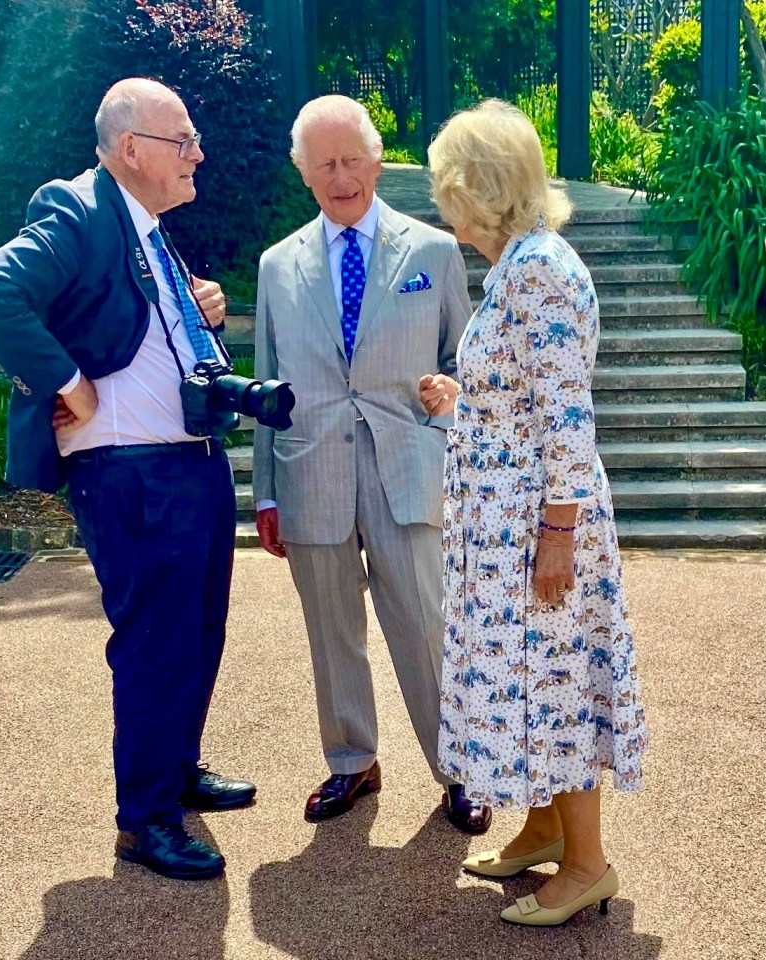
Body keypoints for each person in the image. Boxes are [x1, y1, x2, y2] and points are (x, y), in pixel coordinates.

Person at [0, 78, 256, 882]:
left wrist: (204, 309)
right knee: (157, 645)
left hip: (187, 462)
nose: (199, 153)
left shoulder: (148, 228)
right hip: (132, 475)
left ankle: (176, 772)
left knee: (196, 632)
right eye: (182, 140)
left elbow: (140, 322)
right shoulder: (80, 209)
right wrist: (66, 382)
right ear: (132, 150)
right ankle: (146, 820)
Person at [420, 99, 648, 926]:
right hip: (507, 520)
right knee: (521, 679)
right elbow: (524, 396)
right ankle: (542, 829)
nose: (440, 199)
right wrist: (464, 397)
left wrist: (556, 535)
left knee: (551, 686)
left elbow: (565, 416)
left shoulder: (539, 269)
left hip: (535, 529)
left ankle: (587, 863)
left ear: (471, 185)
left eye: (446, 182)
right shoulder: (517, 266)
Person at [253, 94, 487, 834]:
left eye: (351, 158)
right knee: (331, 630)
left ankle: (459, 769)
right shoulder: (274, 266)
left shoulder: (433, 252)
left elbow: (467, 361)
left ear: (378, 161)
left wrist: (452, 398)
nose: (340, 174)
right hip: (309, 473)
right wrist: (265, 493)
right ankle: (351, 760)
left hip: (408, 471)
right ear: (303, 173)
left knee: (425, 625)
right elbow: (265, 385)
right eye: (323, 162)